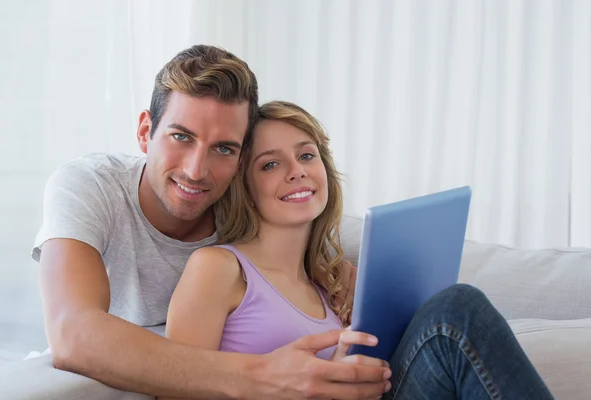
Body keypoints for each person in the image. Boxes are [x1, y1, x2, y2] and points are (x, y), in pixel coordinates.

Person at [33, 44, 390, 400]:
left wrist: (335, 266)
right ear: (145, 131)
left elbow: (321, 222)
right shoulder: (91, 187)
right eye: (181, 137)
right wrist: (265, 377)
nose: (196, 170)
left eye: (224, 149)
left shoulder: (240, 205)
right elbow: (71, 333)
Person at [164, 100, 555, 400]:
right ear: (244, 186)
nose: (296, 171)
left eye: (305, 155)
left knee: (452, 312)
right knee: (455, 311)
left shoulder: (332, 286)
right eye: (270, 165)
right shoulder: (218, 267)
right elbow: (172, 388)